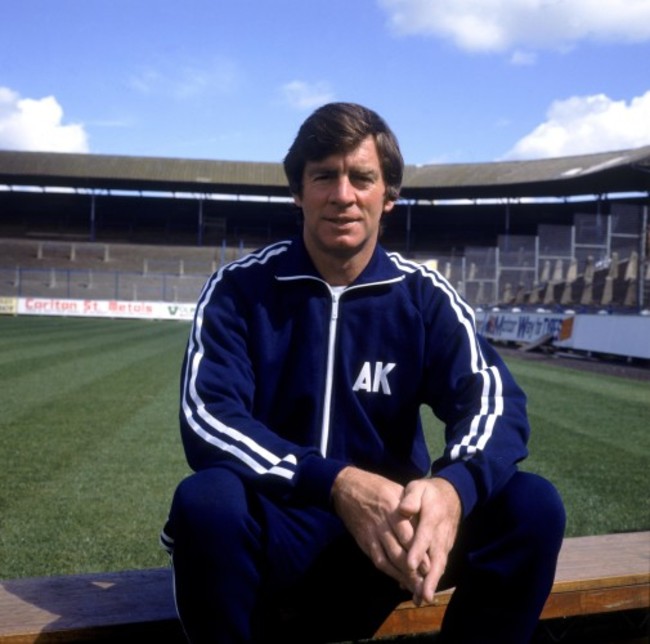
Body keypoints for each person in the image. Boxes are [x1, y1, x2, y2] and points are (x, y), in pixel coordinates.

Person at [161, 102, 566, 643]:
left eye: (362, 177)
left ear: (388, 197)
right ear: (298, 192)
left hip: (397, 536)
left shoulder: (422, 296)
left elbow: (494, 403)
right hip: (284, 529)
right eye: (324, 176)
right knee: (205, 502)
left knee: (532, 506)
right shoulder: (239, 290)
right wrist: (336, 484)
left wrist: (451, 489)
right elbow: (209, 417)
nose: (343, 195)